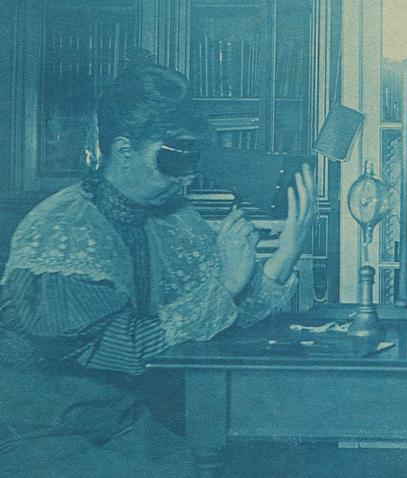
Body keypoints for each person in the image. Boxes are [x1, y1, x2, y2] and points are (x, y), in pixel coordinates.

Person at [0, 63, 316, 477]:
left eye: (189, 161)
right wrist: (223, 283)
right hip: (42, 431)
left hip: (123, 422)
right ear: (124, 150)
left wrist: (284, 257)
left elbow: (220, 319)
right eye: (170, 161)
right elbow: (128, 350)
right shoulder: (63, 229)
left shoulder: (172, 217)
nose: (184, 180)